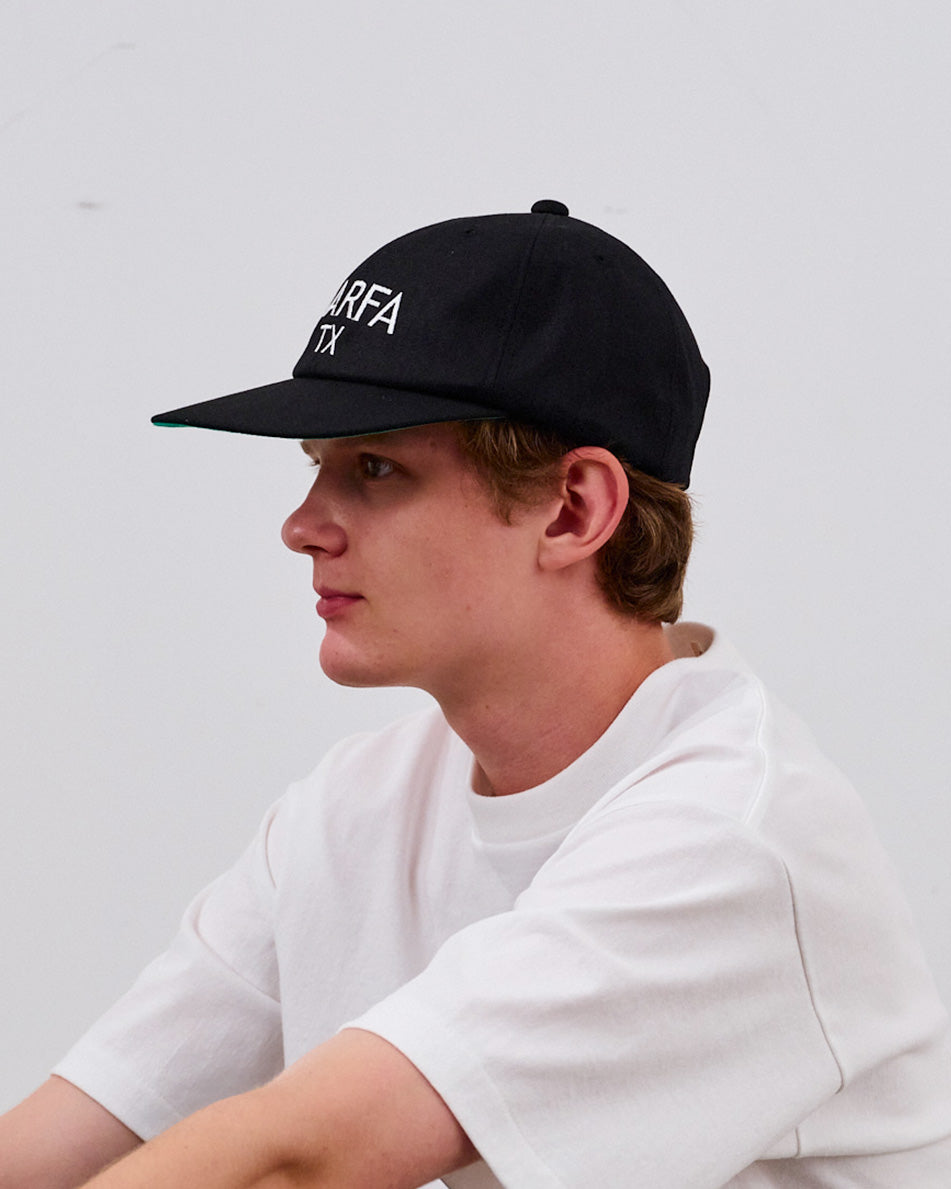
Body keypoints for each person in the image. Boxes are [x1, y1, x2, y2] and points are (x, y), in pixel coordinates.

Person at [2, 200, 949, 1189]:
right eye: (318, 467)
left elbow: (291, 1164)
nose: (301, 525)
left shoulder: (732, 838)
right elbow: (63, 1145)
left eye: (375, 467)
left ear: (573, 509)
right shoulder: (353, 809)